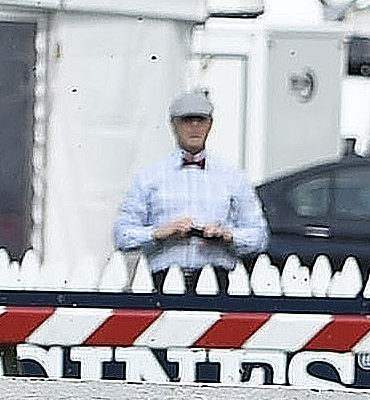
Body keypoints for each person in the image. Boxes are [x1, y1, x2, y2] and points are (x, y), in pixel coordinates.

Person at [114, 89, 266, 282]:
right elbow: (122, 235)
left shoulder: (233, 177)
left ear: (210, 124)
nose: (194, 126)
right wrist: (160, 232)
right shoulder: (149, 177)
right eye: (187, 120)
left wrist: (227, 235)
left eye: (200, 120)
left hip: (217, 277)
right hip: (164, 277)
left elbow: (259, 237)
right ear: (173, 124)